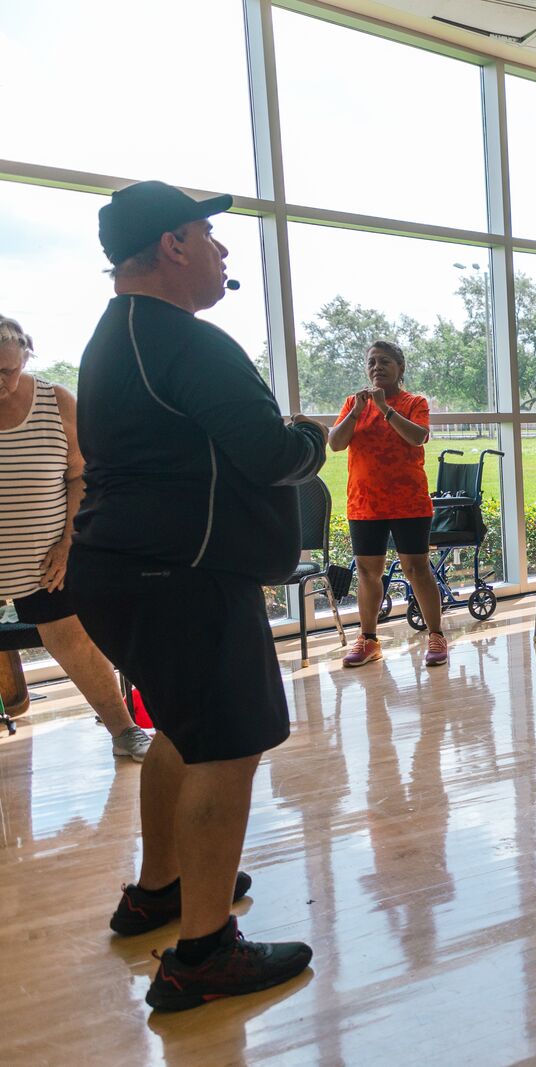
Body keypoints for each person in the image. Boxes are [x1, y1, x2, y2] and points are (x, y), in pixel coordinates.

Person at [72, 181, 325, 1009]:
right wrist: (316, 437)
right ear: (171, 247)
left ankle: (161, 888)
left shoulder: (116, 337)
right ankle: (205, 950)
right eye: (209, 237)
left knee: (183, 729)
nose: (222, 253)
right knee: (227, 744)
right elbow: (267, 450)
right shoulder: (185, 339)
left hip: (130, 571)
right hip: (183, 574)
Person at [0, 315, 152, 761]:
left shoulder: (56, 402)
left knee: (72, 641)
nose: (0, 382)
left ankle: (124, 733)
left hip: (46, 555)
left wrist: (68, 542)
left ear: (26, 358)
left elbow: (81, 475)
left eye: (8, 371)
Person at [329, 341, 445, 669]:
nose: (377, 367)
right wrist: (356, 412)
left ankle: (435, 635)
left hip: (408, 501)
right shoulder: (354, 403)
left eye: (385, 362)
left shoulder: (414, 402)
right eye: (372, 362)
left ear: (400, 368)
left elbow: (418, 436)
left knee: (415, 568)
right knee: (367, 571)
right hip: (365, 502)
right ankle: (369, 640)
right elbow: (336, 443)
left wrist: (385, 410)